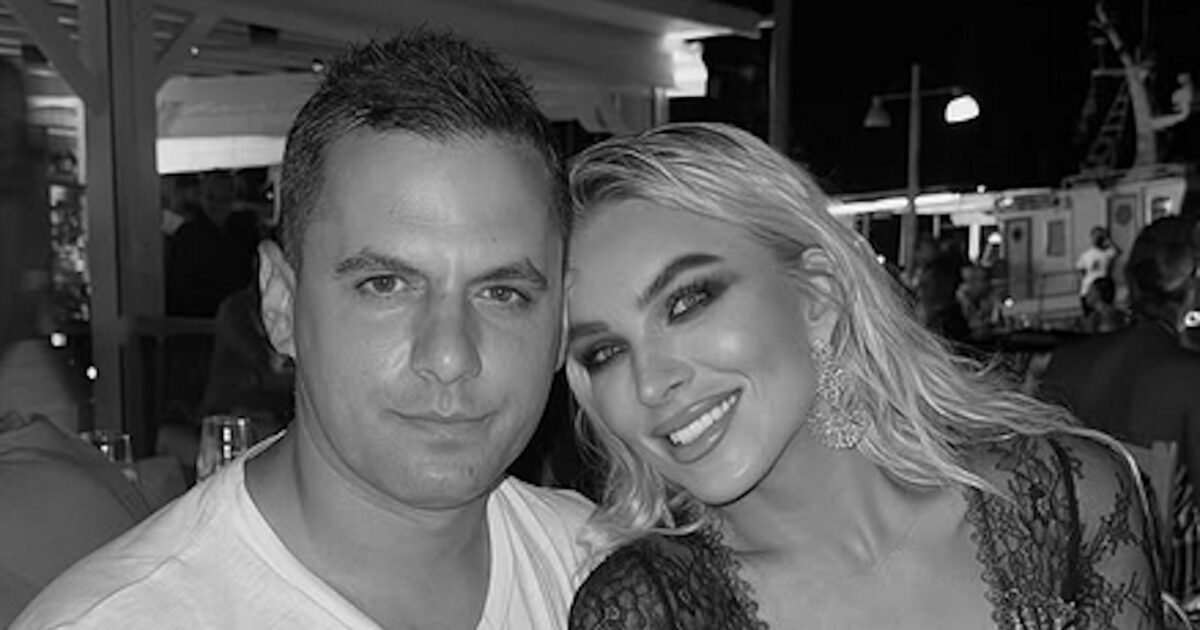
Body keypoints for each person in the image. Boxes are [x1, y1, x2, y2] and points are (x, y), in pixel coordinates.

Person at [13, 31, 592, 629]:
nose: (449, 356)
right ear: (281, 304)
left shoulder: (605, 575)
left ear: (561, 322)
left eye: (503, 294)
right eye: (385, 285)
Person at [561, 123, 1161, 629]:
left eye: (686, 303)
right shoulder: (644, 612)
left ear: (818, 297)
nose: (650, 383)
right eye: (605, 351)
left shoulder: (1065, 502)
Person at [1040, 216, 1200, 599]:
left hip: (1065, 586)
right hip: (1156, 595)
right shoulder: (1188, 376)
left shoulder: (1065, 362)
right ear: (1191, 287)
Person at [1076, 225, 1120, 316]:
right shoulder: (1087, 255)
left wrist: (1109, 240)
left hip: (1101, 286)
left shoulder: (1106, 253)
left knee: (1101, 313)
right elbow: (1081, 272)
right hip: (1092, 287)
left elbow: (1117, 252)